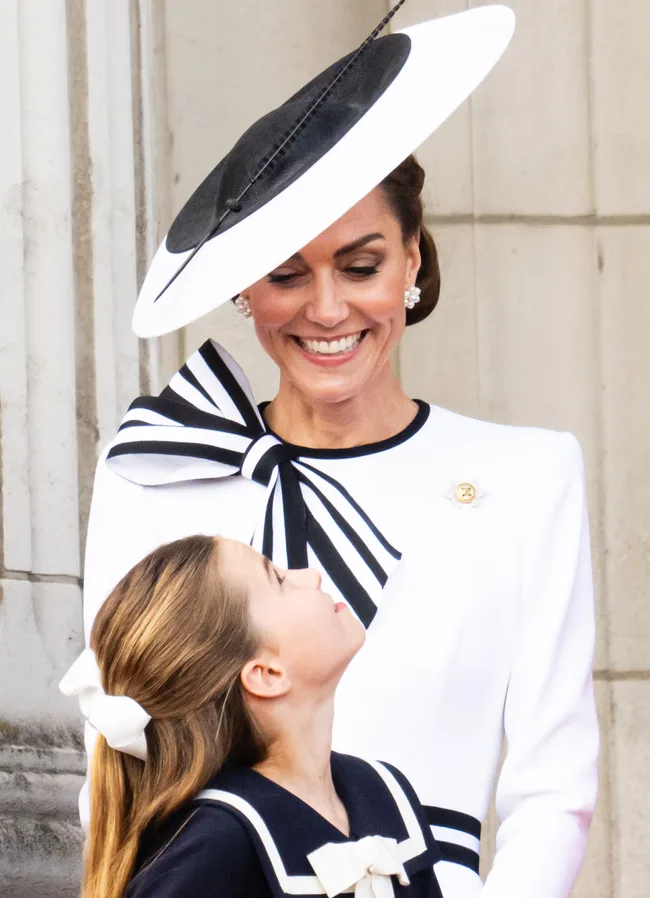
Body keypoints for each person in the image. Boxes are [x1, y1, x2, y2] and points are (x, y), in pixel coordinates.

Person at [79, 6, 598, 898]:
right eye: (287, 274)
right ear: (246, 288)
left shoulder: (530, 476)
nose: (325, 310)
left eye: (360, 267)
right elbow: (118, 766)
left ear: (412, 265)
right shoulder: (157, 470)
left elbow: (552, 787)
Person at [61, 534, 444, 898]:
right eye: (278, 579)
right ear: (267, 674)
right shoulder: (214, 843)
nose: (311, 575)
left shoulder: (381, 795)